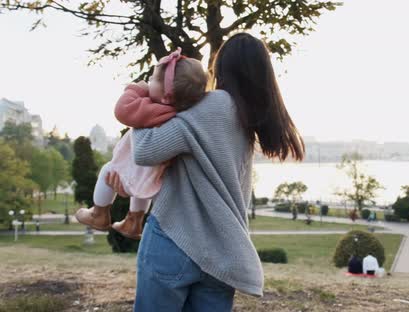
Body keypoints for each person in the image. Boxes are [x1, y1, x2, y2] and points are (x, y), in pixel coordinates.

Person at [106, 33, 305, 311]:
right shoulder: (249, 119)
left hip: (176, 238)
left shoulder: (214, 105)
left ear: (222, 66)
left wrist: (142, 112)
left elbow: (146, 151)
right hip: (222, 255)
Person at [74, 48, 208, 239]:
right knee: (140, 192)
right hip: (151, 175)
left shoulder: (154, 110)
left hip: (136, 169)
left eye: (153, 79)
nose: (149, 82)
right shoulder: (179, 114)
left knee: (107, 171)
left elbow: (123, 111)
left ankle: (99, 214)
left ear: (167, 96)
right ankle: (134, 222)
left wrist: (135, 90)